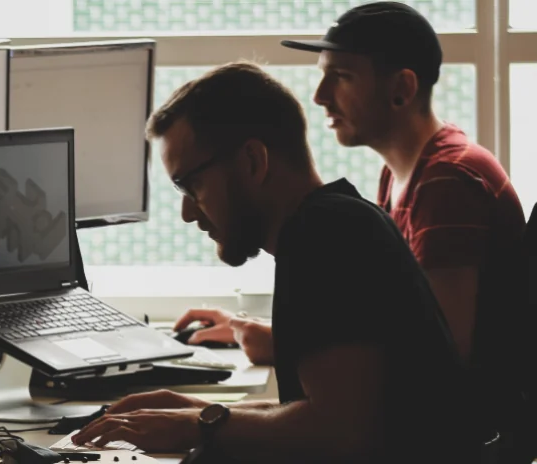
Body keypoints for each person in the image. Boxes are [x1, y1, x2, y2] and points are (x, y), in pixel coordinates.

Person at [71, 62, 482, 462]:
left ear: (252, 161)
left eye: (191, 185)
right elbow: (323, 411)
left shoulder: (325, 235)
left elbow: (341, 434)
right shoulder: (339, 220)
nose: (187, 213)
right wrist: (196, 410)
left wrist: (198, 423)